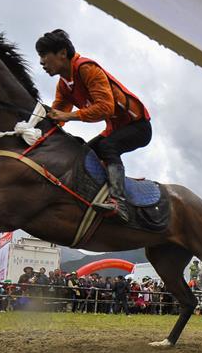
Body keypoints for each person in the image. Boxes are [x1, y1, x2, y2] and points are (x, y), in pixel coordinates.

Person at [36, 29, 152, 223]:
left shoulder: (86, 68)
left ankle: (119, 203)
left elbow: (105, 108)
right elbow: (57, 115)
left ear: (62, 53)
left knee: (107, 146)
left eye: (44, 55)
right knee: (83, 154)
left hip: (139, 127)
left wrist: (69, 115)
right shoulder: (63, 85)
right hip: (116, 128)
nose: (41, 62)